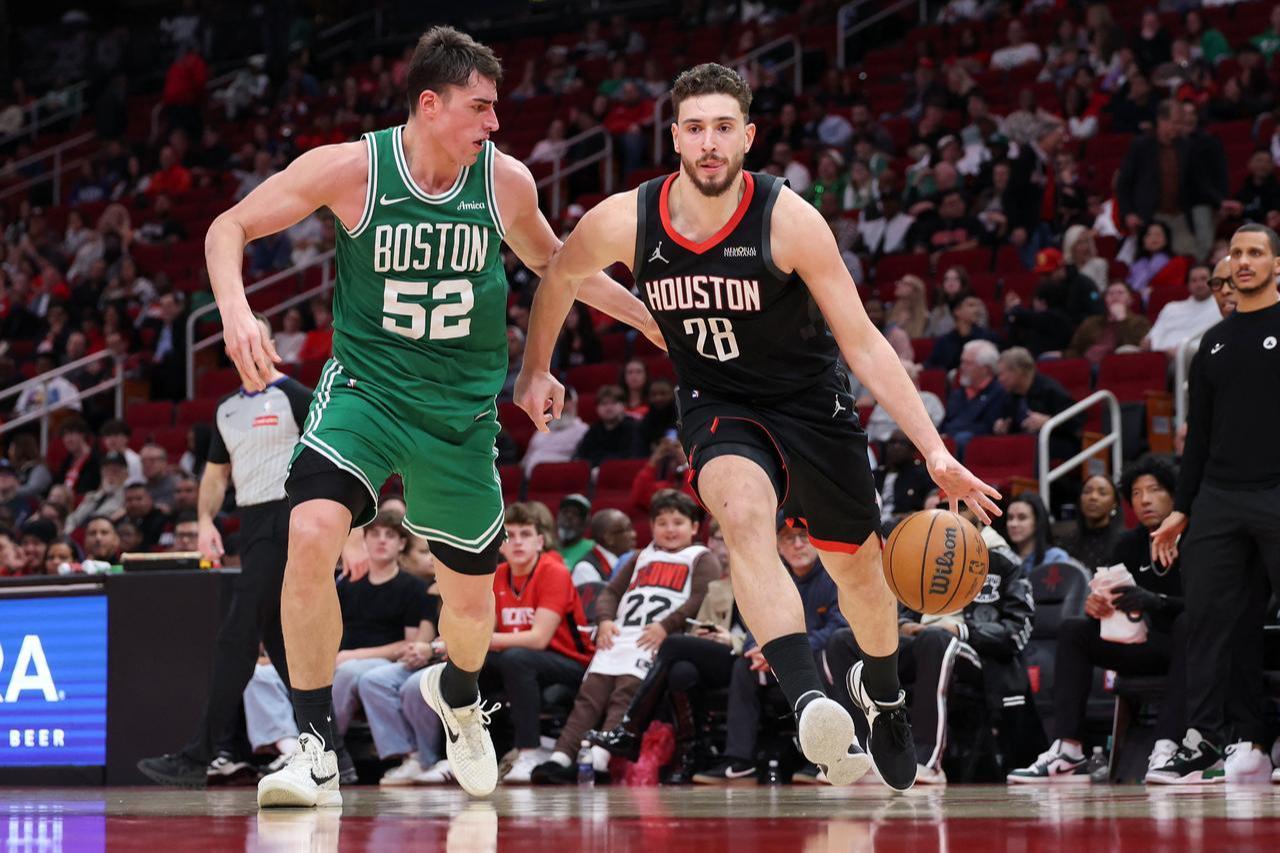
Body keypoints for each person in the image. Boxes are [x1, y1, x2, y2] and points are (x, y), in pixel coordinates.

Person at [205, 26, 660, 807]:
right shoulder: (353, 169)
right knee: (308, 531)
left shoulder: (504, 181)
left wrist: (652, 318)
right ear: (430, 103)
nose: (492, 123)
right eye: (480, 107)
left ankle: (461, 694)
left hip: (459, 410)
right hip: (367, 393)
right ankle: (313, 746)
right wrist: (238, 313)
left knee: (469, 604)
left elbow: (560, 264)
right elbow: (228, 227)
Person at [515, 62, 1001, 791]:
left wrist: (933, 450)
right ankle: (810, 698)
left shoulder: (790, 220)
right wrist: (536, 369)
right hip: (717, 399)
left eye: (722, 128)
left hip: (810, 401)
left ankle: (885, 696)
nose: (708, 143)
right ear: (674, 137)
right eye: (694, 128)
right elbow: (561, 273)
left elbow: (864, 340)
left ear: (747, 135)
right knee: (742, 517)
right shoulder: (625, 218)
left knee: (859, 569)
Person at [137, 317, 317, 788]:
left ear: (272, 345)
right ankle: (331, 748)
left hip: (290, 516)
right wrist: (202, 522)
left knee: (237, 634)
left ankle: (199, 755)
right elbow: (216, 475)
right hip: (253, 521)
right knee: (280, 643)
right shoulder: (226, 409)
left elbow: (329, 460)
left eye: (255, 340)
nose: (247, 349)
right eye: (238, 344)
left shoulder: (297, 395)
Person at [1150, 224, 1280, 784]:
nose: (1243, 263)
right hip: (1219, 498)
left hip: (1277, 490)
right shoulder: (1210, 346)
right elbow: (1197, 435)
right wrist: (1181, 509)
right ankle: (1210, 739)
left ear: (1276, 264)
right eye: (1236, 254)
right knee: (1208, 621)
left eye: (1255, 253)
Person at [1009, 458, 1186, 783]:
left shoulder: (1194, 540)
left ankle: (1168, 747)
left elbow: (1204, 608)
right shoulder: (1128, 544)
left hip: (1182, 649)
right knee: (1074, 628)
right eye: (1136, 492)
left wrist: (1156, 602)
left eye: (1154, 490)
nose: (1144, 499)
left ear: (1174, 496)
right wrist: (1097, 605)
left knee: (1188, 627)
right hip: (1136, 642)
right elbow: (1108, 593)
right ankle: (1069, 749)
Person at [530, 490, 718, 784]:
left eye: (678, 523)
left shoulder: (701, 557)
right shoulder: (639, 556)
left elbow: (699, 597)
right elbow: (610, 593)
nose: (669, 529)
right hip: (621, 634)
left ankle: (602, 759)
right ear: (652, 526)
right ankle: (561, 756)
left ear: (694, 527)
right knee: (589, 695)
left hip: (660, 638)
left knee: (626, 691)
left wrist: (666, 626)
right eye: (662, 522)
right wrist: (604, 621)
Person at [483, 503, 595, 783]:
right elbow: (488, 630)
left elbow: (538, 638)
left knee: (515, 658)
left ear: (540, 541)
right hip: (527, 661)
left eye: (526, 534)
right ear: (500, 544)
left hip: (575, 664)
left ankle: (529, 751)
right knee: (473, 663)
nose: (518, 541)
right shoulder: (497, 576)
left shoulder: (553, 571)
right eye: (510, 535)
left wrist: (479, 641)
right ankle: (481, 755)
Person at [994, 347, 1080, 459]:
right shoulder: (1010, 395)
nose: (999, 380)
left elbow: (1076, 420)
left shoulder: (1050, 389)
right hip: (1026, 444)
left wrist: (1048, 421)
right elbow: (1013, 426)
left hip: (1057, 443)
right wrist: (1002, 427)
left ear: (1018, 371)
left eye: (1002, 374)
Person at [940, 339, 1009, 457]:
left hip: (979, 448)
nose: (962, 367)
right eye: (962, 362)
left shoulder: (999, 392)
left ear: (985, 368)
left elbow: (987, 427)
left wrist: (951, 433)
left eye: (968, 363)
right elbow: (945, 423)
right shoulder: (957, 393)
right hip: (953, 439)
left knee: (962, 439)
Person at [1060, 475, 1124, 571]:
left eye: (1102, 493)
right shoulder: (1065, 543)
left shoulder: (1124, 543)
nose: (1093, 497)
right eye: (1087, 492)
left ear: (1114, 503)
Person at [573, 385, 646, 466]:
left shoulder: (634, 428)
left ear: (623, 406)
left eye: (613, 403)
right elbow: (582, 456)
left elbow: (631, 456)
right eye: (604, 404)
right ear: (597, 408)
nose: (608, 408)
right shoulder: (594, 430)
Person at [1002, 493, 1072, 573]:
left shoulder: (1055, 558)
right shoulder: (1002, 557)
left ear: (1037, 521)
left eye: (1022, 518)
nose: (1013, 524)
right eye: (1010, 518)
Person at [570, 509, 636, 586]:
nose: (634, 535)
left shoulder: (628, 561)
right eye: (627, 530)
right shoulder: (585, 569)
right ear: (609, 539)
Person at [554, 494, 594, 567]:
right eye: (565, 512)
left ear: (585, 522)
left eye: (575, 514)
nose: (569, 517)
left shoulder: (592, 549)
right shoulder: (548, 547)